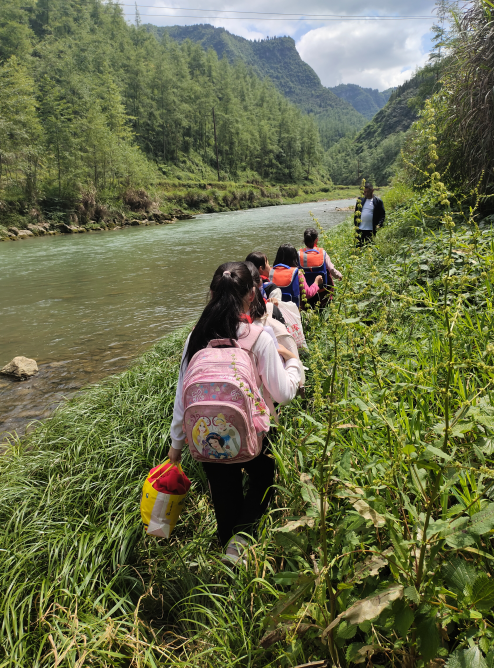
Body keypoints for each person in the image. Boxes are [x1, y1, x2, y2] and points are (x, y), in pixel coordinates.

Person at [168, 261, 301, 564]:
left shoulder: (196, 338)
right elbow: (282, 393)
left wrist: (176, 447)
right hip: (255, 436)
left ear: (211, 293)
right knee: (265, 479)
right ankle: (243, 537)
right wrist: (294, 365)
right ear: (252, 295)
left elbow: (181, 398)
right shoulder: (258, 337)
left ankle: (228, 545)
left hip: (204, 435)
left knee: (224, 494)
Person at [268, 244, 322, 308]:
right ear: (295, 258)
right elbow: (308, 294)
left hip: (273, 310)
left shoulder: (269, 272)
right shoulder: (297, 273)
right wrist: (316, 282)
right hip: (293, 312)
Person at [299, 228, 342, 307]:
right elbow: (331, 269)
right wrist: (339, 275)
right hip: (322, 290)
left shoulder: (299, 253)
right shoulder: (322, 253)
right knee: (327, 271)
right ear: (316, 240)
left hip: (306, 290)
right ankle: (328, 301)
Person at [354, 182, 385, 247]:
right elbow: (356, 212)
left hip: (371, 229)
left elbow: (382, 214)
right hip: (360, 228)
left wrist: (379, 224)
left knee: (369, 246)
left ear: (372, 190)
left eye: (368, 192)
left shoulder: (378, 201)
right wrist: (355, 224)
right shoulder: (360, 200)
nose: (366, 194)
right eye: (364, 192)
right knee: (358, 246)